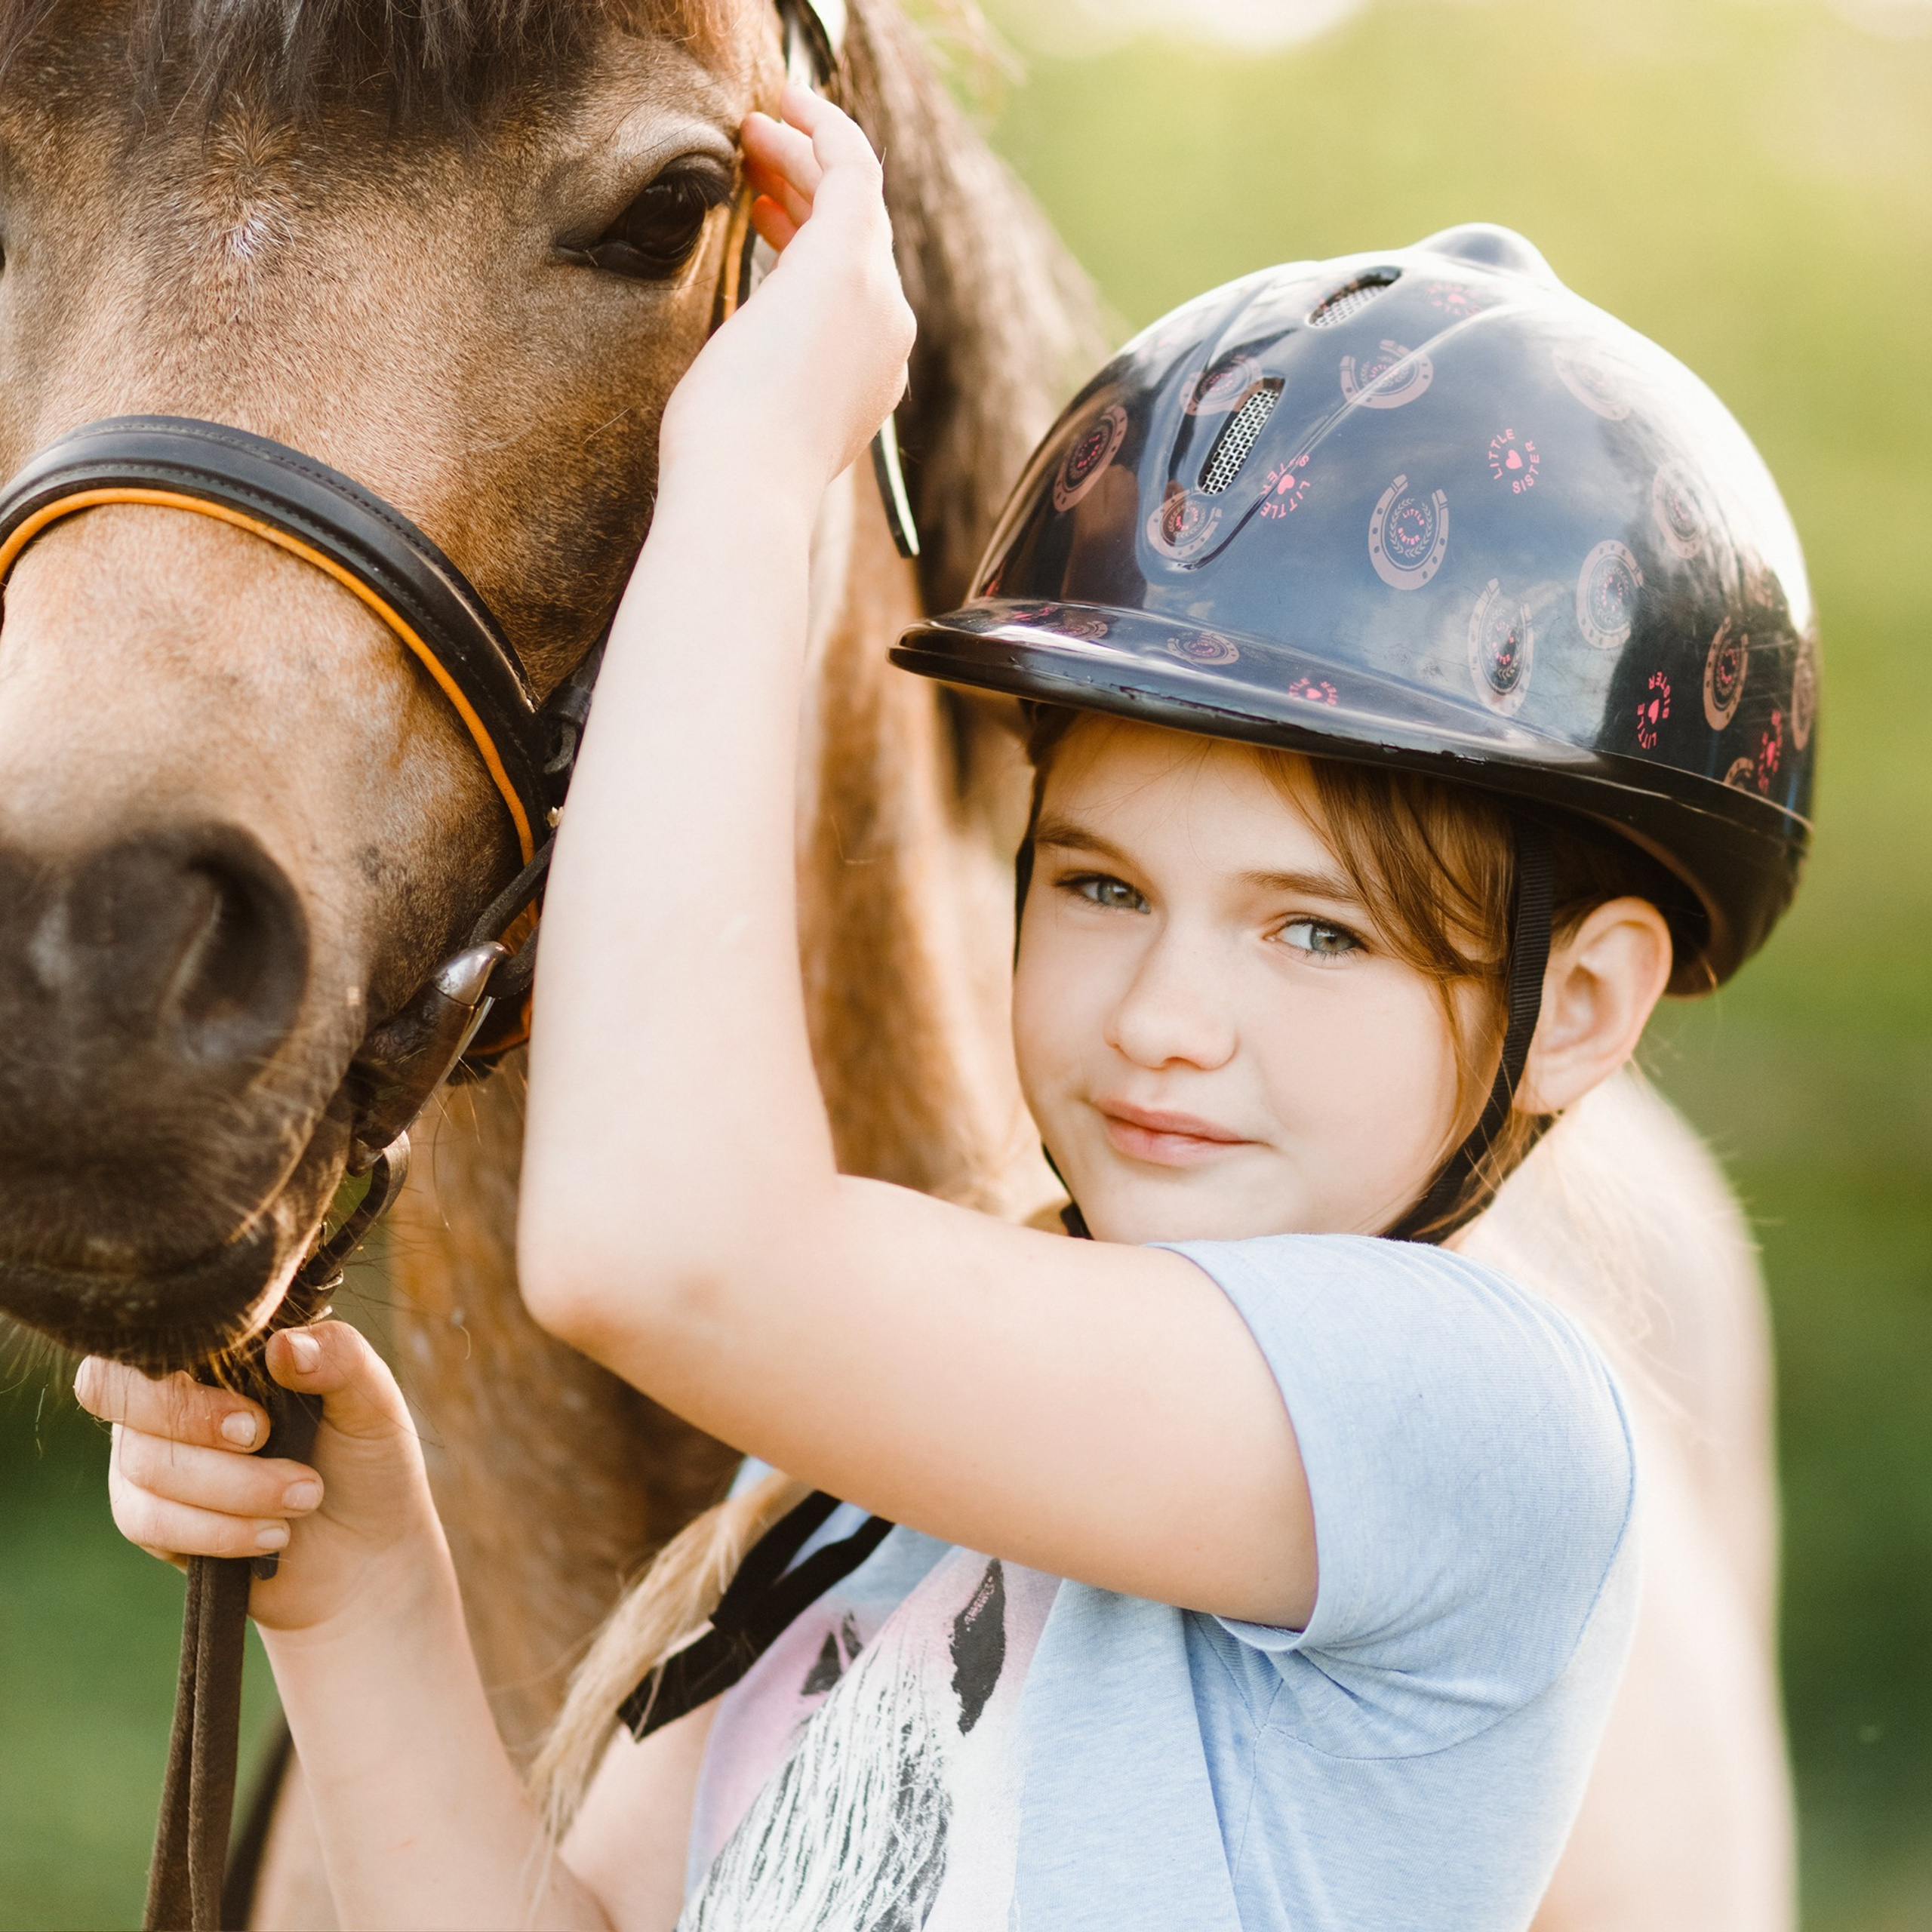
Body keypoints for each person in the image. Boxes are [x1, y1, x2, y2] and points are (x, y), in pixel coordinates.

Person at [78, 82, 1817, 1932]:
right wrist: (366, 1596)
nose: (1162, 1015)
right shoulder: (848, 1509)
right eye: (1098, 887)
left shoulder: (1475, 1418)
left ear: (1581, 1002)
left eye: (1315, 933)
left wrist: (746, 476)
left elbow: (664, 1248)